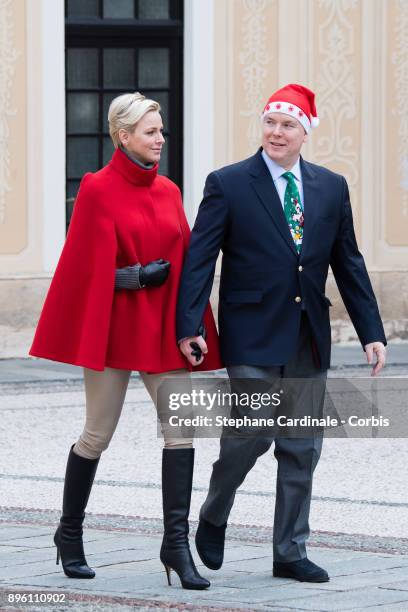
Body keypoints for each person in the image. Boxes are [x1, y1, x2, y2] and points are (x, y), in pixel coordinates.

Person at [176, 84, 387, 583]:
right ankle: (215, 510)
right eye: (270, 122)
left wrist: (371, 331)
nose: (276, 132)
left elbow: (348, 262)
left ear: (304, 133)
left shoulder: (331, 187)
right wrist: (190, 323)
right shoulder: (228, 183)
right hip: (250, 330)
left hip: (307, 335)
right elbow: (201, 258)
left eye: (288, 124)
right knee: (249, 435)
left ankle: (290, 550)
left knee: (302, 447)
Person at [29, 92, 222, 590]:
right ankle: (69, 535)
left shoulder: (169, 191)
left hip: (163, 329)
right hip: (114, 327)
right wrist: (134, 277)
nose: (160, 139)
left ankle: (175, 546)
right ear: (124, 135)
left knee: (182, 429)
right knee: (97, 434)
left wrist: (192, 328)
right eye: (151, 131)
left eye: (162, 131)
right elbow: (82, 268)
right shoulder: (96, 188)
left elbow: (188, 267)